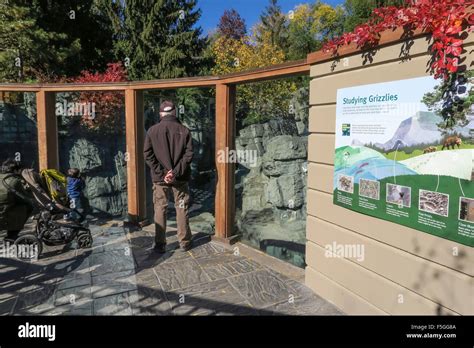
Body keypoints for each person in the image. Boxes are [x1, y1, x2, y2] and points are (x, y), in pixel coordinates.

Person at [144, 100, 194, 253]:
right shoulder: (184, 130)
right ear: (174, 112)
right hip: (180, 178)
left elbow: (148, 155)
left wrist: (163, 173)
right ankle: (184, 242)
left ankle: (160, 244)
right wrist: (175, 172)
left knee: (160, 208)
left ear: (161, 113)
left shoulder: (152, 131)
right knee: (181, 208)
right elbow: (189, 154)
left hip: (160, 179)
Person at [0, 159, 33, 242]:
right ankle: (12, 236)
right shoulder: (15, 181)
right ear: (15, 170)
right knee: (29, 207)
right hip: (4, 214)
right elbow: (24, 198)